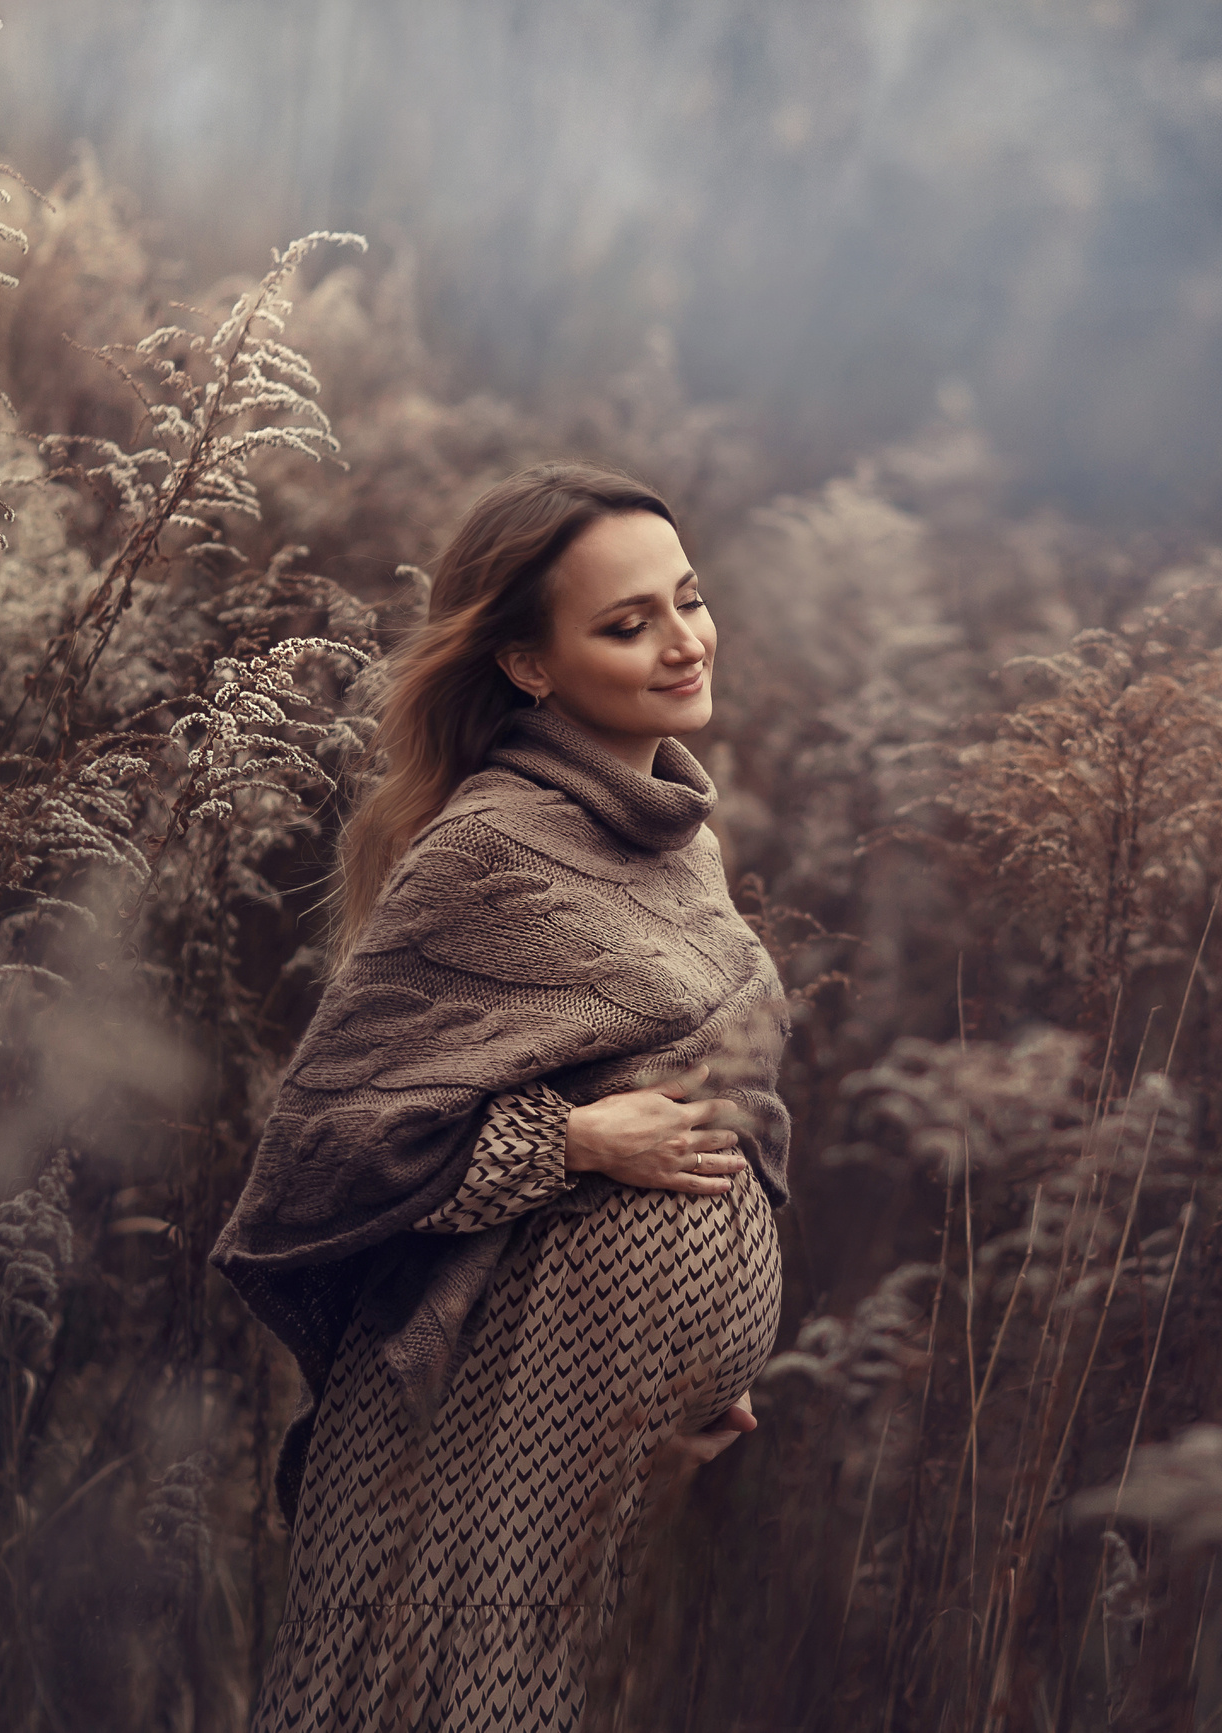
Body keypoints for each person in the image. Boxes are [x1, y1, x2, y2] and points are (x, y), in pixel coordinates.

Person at [211, 462, 790, 1732]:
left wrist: (689, 1371)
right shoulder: (489, 845)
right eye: (625, 623)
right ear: (527, 663)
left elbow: (713, 1095)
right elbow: (321, 1152)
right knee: (430, 1700)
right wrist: (568, 1136)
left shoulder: (678, 837)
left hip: (595, 1407)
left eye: (686, 599)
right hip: (481, 1389)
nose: (681, 639)